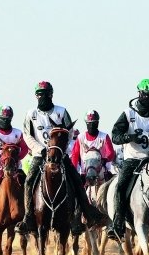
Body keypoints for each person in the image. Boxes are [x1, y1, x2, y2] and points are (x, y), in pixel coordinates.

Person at [16, 81, 106, 234]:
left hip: (59, 154)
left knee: (77, 180)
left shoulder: (61, 111)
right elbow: (27, 135)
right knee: (29, 182)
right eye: (39, 94)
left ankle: (87, 214)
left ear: (51, 94)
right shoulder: (31, 114)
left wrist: (60, 148)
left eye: (45, 94)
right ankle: (28, 217)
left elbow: (70, 132)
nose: (42, 97)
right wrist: (41, 149)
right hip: (40, 155)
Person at [108, 79, 149, 239]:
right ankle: (118, 225)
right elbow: (115, 136)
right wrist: (129, 137)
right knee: (121, 186)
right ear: (140, 94)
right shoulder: (128, 114)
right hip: (133, 159)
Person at [70, 110, 116, 181]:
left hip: (104, 173)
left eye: (94, 123)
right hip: (85, 175)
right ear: (86, 123)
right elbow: (74, 156)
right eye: (89, 123)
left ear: (97, 123)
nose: (91, 126)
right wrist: (73, 172)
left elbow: (111, 153)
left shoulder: (104, 136)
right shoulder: (80, 137)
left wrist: (104, 160)